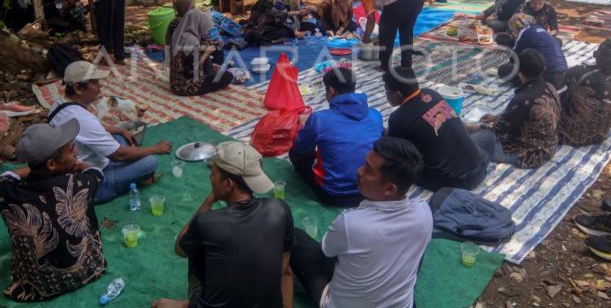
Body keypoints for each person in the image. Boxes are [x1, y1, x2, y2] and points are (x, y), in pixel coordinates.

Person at [290, 136, 433, 308]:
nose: (359, 171)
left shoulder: (351, 223)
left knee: (295, 236)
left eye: (368, 170)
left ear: (390, 189)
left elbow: (326, 252)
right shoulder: (424, 213)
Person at [154, 141, 293, 308]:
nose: (210, 178)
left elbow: (180, 249)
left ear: (228, 184)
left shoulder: (207, 222)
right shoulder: (280, 208)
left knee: (194, 249)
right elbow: (284, 269)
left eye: (213, 173)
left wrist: (211, 198)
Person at [0, 120, 106, 301]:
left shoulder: (6, 192)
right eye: (71, 149)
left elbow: (7, 176)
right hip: (89, 271)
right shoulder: (79, 184)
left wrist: (34, 167)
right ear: (52, 164)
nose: (76, 152)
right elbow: (95, 172)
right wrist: (77, 166)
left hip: (39, 287)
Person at [48, 61, 171, 203]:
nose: (100, 87)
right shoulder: (80, 117)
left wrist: (121, 130)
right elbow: (118, 155)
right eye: (95, 82)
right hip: (91, 179)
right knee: (150, 162)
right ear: (78, 88)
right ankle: (114, 187)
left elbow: (89, 130)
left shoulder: (60, 103)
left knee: (120, 136)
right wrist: (156, 149)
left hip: (82, 162)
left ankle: (128, 170)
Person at [384, 66, 489, 191]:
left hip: (457, 181)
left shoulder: (398, 118)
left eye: (387, 92)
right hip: (480, 166)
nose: (386, 96)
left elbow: (400, 155)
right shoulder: (431, 93)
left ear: (398, 94)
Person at [290, 67, 384, 207]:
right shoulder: (375, 115)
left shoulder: (319, 119)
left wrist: (302, 126)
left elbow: (300, 147)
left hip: (334, 194)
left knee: (296, 152)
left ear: (331, 91)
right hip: (369, 189)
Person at [469, 49, 561, 169]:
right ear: (543, 69)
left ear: (517, 70)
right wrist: (496, 117)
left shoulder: (523, 99)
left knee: (476, 141)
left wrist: (468, 128)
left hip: (530, 154)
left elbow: (496, 131)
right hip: (550, 146)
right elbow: (522, 114)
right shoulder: (550, 87)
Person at [559, 38, 611, 146]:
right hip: (596, 138)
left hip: (565, 133)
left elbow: (563, 82)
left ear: (596, 56)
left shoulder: (577, 73)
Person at [356, 0, 424, 71]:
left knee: (386, 33)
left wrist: (366, 39)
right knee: (406, 32)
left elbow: (371, 19)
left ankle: (384, 66)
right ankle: (406, 65)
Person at [497, 13, 568, 89]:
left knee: (504, 70)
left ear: (517, 26)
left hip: (548, 79)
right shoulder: (540, 29)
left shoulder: (524, 32)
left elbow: (514, 58)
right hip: (563, 75)